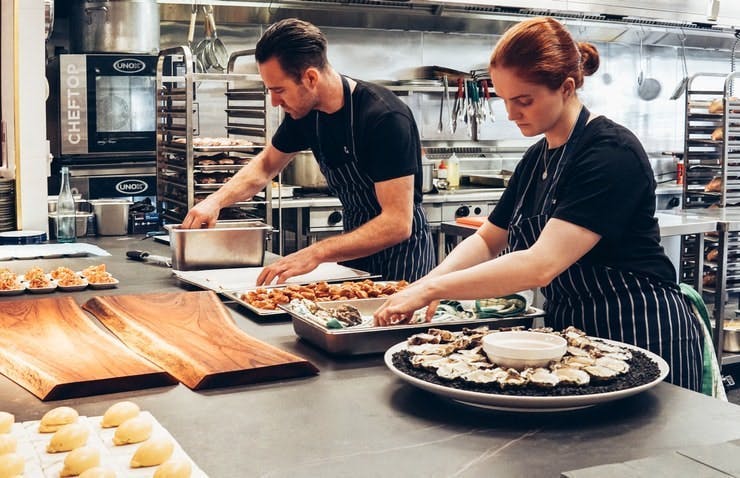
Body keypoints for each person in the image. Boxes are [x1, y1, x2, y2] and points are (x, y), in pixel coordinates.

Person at [374, 17, 703, 392]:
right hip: (574, 337)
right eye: (504, 100)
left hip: (641, 328)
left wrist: (435, 290)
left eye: (523, 101)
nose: (512, 114)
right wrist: (426, 283)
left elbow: (540, 265)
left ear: (565, 88)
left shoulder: (610, 152)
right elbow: (487, 240)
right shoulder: (536, 158)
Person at [181, 18, 435, 285]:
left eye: (279, 90)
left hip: (403, 260)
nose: (275, 102)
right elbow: (266, 165)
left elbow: (397, 223)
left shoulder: (384, 117)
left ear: (311, 78)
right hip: (354, 252)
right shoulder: (305, 115)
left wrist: (316, 252)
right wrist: (215, 201)